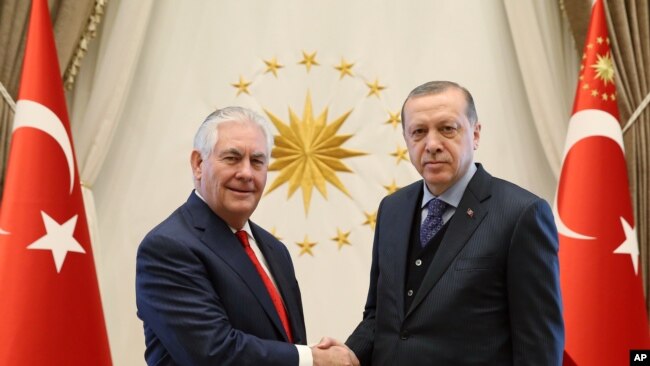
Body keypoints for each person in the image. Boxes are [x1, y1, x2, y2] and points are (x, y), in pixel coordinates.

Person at [343, 81, 564, 364]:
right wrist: (346, 354)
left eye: (447, 128)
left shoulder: (522, 214)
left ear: (475, 134)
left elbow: (539, 347)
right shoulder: (392, 210)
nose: (432, 145)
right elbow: (379, 316)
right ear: (406, 138)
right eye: (419, 132)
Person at [136, 106, 358, 366]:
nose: (246, 173)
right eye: (232, 158)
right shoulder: (168, 247)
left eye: (257, 161)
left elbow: (284, 345)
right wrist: (313, 359)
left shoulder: (274, 250)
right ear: (198, 164)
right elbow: (213, 353)